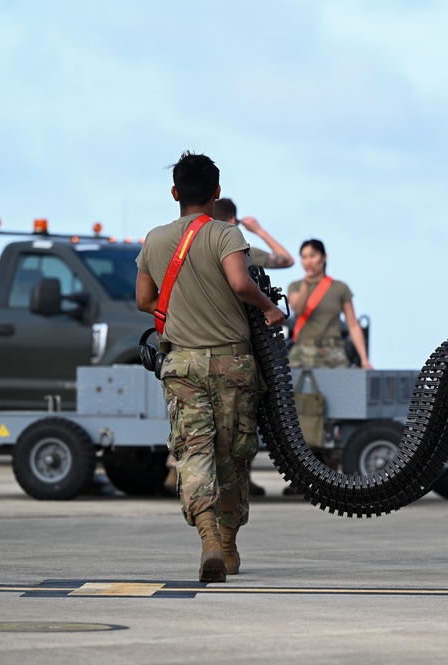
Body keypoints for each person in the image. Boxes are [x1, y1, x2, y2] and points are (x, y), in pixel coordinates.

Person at [136, 151, 286, 583]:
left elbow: (145, 300)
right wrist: (269, 308)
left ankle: (208, 541)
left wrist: (181, 309)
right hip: (231, 363)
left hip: (181, 363)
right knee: (233, 455)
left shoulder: (155, 240)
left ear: (174, 193)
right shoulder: (227, 235)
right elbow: (240, 283)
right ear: (217, 192)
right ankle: (229, 544)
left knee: (193, 452)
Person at [209, 197, 295, 497]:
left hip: (197, 350)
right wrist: (257, 229)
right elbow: (286, 259)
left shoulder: (193, 249)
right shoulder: (240, 251)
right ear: (233, 221)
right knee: (242, 421)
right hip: (239, 349)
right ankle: (237, 482)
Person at [286, 239, 372, 476]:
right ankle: (299, 474)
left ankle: (330, 470)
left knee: (337, 411)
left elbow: (353, 325)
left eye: (313, 256)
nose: (308, 261)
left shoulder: (339, 288)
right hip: (302, 353)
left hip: (333, 354)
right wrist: (306, 285)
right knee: (299, 412)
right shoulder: (295, 285)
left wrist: (364, 359)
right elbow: (299, 310)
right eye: (304, 257)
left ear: (324, 257)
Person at [212, 198, 295, 269]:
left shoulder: (202, 248)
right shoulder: (244, 253)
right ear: (232, 219)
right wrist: (259, 230)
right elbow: (288, 260)